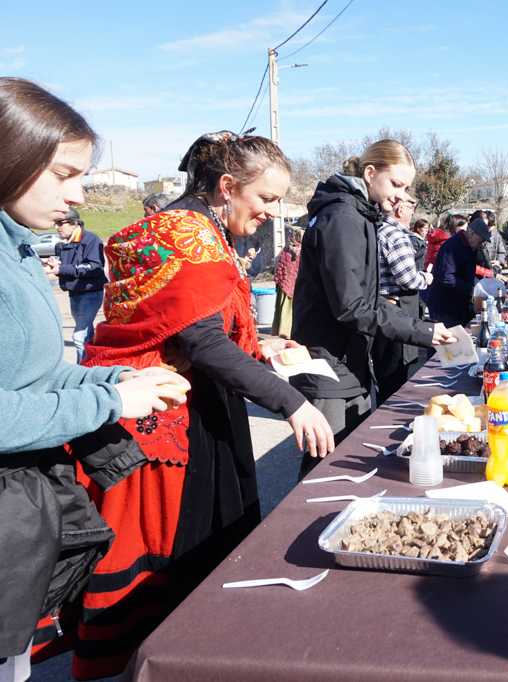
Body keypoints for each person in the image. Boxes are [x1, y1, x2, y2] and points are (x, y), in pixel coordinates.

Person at [70, 132, 335, 678]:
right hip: (170, 416)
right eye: (265, 198)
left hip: (185, 401)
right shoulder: (189, 236)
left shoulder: (197, 229)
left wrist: (260, 345)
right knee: (180, 557)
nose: (271, 212)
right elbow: (202, 343)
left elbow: (197, 326)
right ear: (228, 186)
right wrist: (292, 403)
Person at [0, 77, 188, 682]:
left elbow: (37, 371)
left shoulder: (19, 251)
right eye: (63, 174)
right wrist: (110, 401)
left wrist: (117, 378)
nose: (78, 194)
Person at [291, 139, 455, 476]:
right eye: (396, 184)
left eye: (405, 188)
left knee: (346, 466)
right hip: (330, 367)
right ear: (370, 173)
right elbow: (352, 305)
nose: (400, 196)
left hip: (347, 363)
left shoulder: (358, 214)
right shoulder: (343, 218)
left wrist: (420, 328)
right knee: (326, 472)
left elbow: (367, 296)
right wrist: (421, 331)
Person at [372, 194, 432, 402]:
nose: (413, 213)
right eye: (411, 207)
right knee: (395, 379)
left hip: (382, 311)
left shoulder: (378, 230)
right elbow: (408, 279)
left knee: (385, 376)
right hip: (396, 312)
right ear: (400, 209)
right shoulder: (396, 235)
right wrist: (426, 278)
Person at [43, 208, 107, 362]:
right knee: (85, 334)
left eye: (60, 223)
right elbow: (70, 265)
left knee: (79, 336)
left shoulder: (90, 240)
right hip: (75, 293)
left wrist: (61, 269)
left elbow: (94, 266)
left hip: (90, 293)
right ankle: (91, 364)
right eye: (55, 223)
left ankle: (83, 368)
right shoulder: (66, 243)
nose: (57, 227)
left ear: (74, 223)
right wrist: (55, 264)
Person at [425, 217, 491, 328]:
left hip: (460, 302)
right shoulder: (452, 246)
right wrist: (471, 289)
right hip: (445, 305)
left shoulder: (470, 247)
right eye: (480, 240)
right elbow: (446, 277)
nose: (481, 244)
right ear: (471, 233)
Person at [272, 226, 302, 337]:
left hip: (284, 285)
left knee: (283, 308)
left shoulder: (285, 250)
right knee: (292, 310)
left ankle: (282, 331)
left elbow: (279, 266)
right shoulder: (302, 251)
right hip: (297, 286)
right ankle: (289, 332)